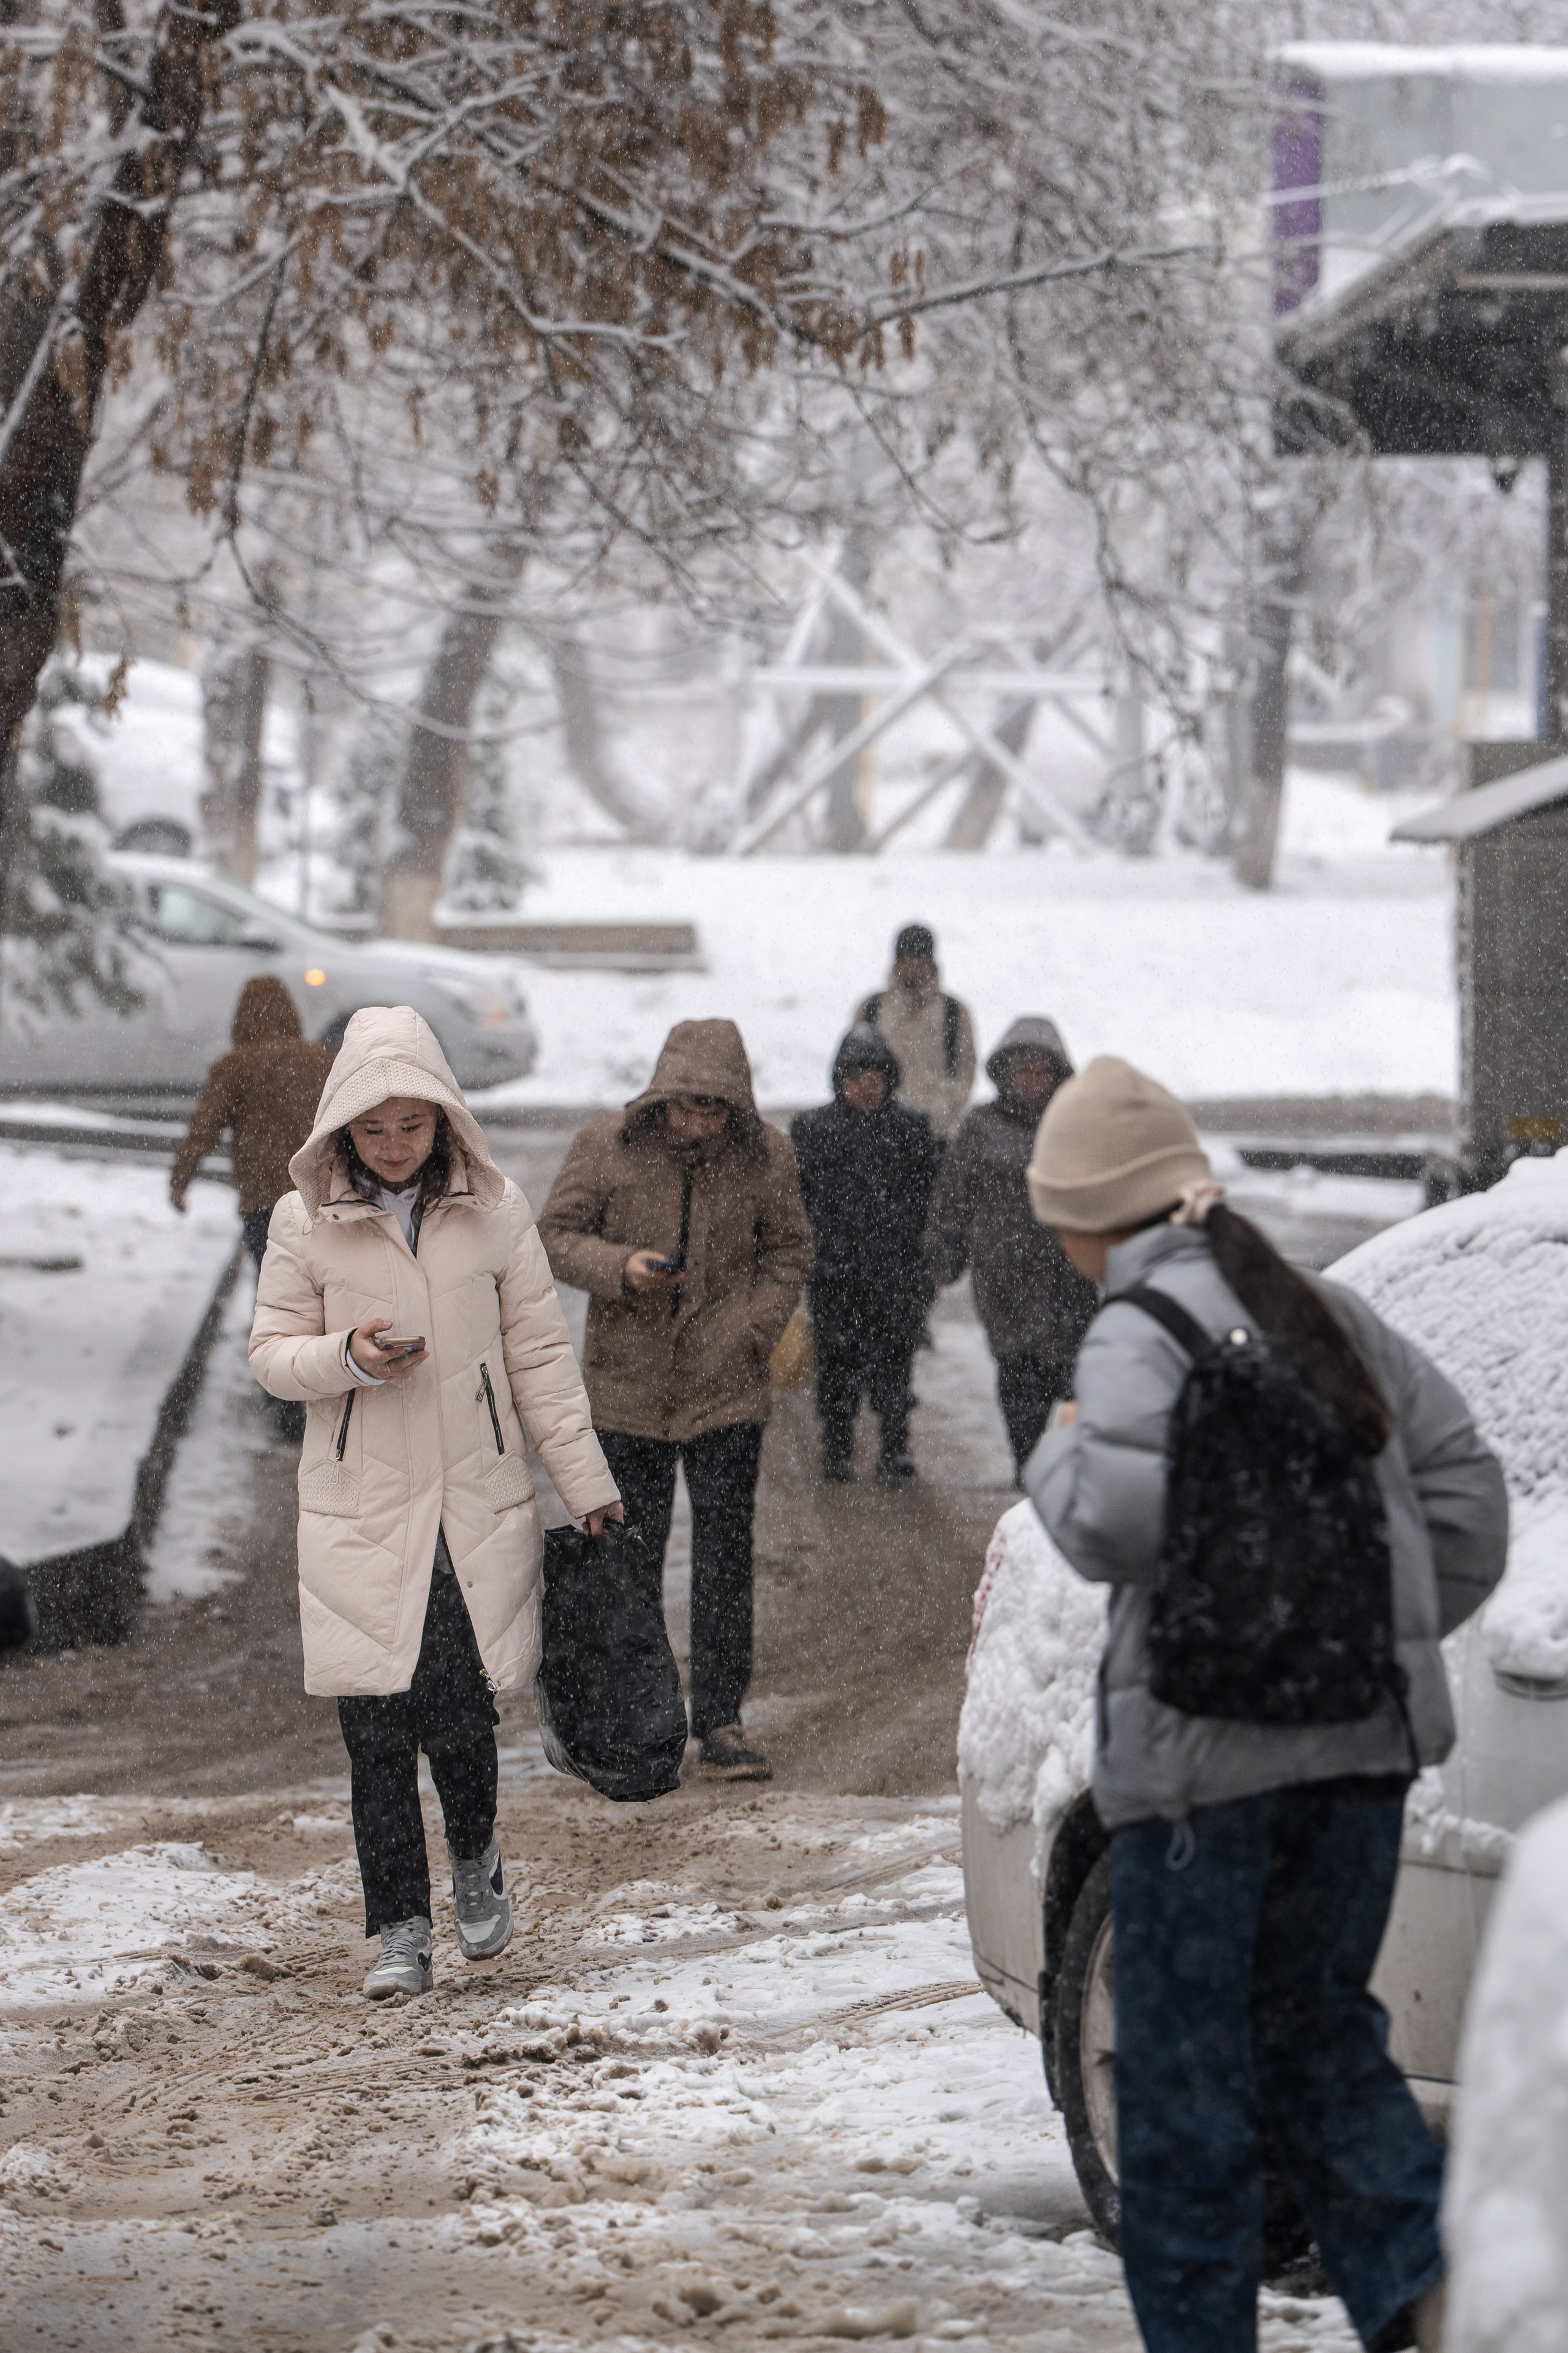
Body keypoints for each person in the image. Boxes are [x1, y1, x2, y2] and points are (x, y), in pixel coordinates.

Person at [1022, 1056, 1508, 2353]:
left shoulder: (1133, 1332)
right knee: (1316, 2041)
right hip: (1357, 1755)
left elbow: (1111, 1519)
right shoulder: (1321, 1311)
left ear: (1082, 1214)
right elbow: (1466, 1502)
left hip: (1200, 1778)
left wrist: (1057, 1437)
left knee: (1184, 2091)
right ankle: (1419, 2292)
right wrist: (1355, 1640)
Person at [249, 1007, 621, 2001]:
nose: (394, 1147)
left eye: (412, 1126)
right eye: (373, 1130)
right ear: (341, 1130)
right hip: (359, 1509)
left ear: (445, 1118)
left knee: (460, 1718)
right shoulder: (304, 1221)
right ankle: (401, 1930)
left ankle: (476, 1851)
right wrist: (349, 1358)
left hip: (470, 1504)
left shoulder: (496, 1213)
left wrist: (585, 1485)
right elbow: (271, 1357)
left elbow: (541, 1361)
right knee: (374, 1731)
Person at [538, 1019, 812, 1783]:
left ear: (737, 1106)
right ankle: (636, 1717)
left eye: (714, 1110)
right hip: (628, 1389)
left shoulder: (767, 1157)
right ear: (661, 1097)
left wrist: (752, 1325)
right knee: (629, 1558)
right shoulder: (606, 1147)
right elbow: (554, 1234)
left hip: (726, 1388)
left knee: (725, 1559)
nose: (698, 1123)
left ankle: (720, 1716)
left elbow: (790, 1249)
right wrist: (619, 1266)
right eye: (686, 1107)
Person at [925, 1017, 1097, 1479]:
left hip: (1069, 1275)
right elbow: (954, 1194)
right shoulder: (981, 1126)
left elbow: (1109, 1192)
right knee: (1019, 1373)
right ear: (1005, 1073)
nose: (1033, 1080)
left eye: (1043, 1071)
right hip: (1005, 1276)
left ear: (1060, 1075)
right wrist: (945, 1250)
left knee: (1071, 1373)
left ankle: (1066, 1470)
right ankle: (1026, 1465)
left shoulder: (1078, 1126)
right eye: (1025, 1070)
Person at [791, 1025, 940, 1484]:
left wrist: (923, 1260)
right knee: (837, 1365)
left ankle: (894, 1448)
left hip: (896, 1272)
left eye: (876, 1076)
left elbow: (929, 1201)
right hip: (836, 1273)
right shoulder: (814, 1129)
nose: (867, 1086)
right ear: (840, 1079)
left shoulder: (912, 1129)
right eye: (857, 1076)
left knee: (896, 1364)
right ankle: (837, 1448)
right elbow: (798, 1200)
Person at [170, 976, 337, 1269]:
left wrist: (181, 1179)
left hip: (263, 1199)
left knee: (274, 1286)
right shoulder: (324, 1061)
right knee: (324, 1283)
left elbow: (205, 1128)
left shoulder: (236, 1066)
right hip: (321, 1194)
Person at [854, 922, 976, 1144]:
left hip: (936, 1135)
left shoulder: (954, 1012)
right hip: (878, 1135)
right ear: (896, 963)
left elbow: (966, 1069)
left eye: (919, 960)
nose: (912, 967)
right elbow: (853, 1066)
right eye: (906, 960)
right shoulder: (872, 1009)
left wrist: (942, 1110)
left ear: (931, 964)